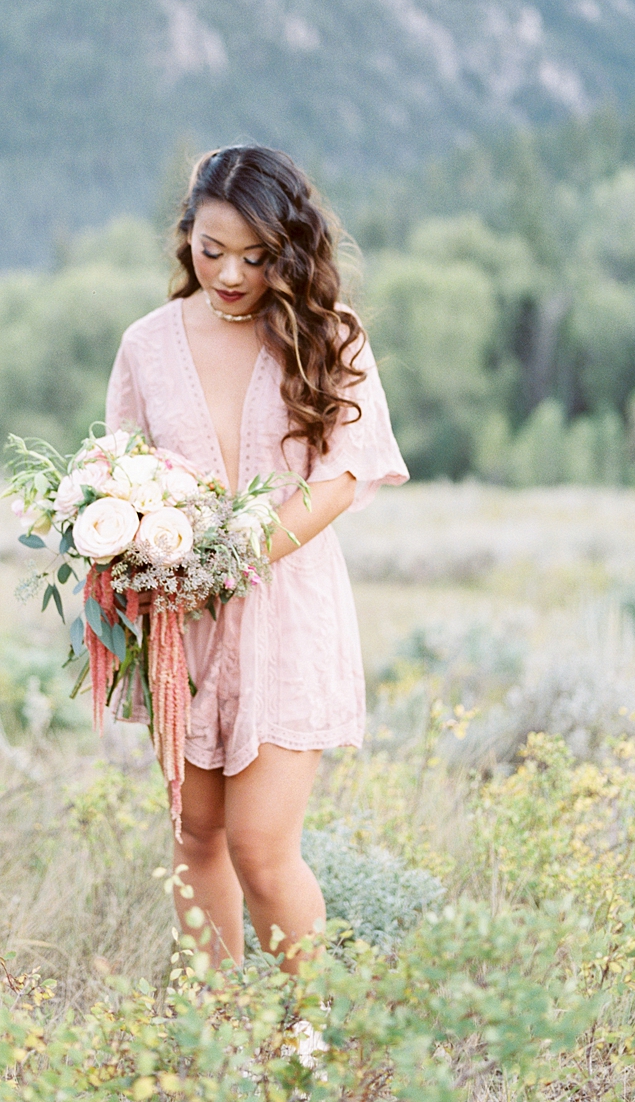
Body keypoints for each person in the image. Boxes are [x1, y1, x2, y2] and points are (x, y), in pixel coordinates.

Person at [105, 145, 408, 969]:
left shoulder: (330, 335)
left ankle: (310, 1058)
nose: (230, 272)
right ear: (185, 238)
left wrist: (234, 554)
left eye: (256, 255)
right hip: (181, 626)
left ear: (291, 248)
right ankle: (216, 1050)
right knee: (195, 834)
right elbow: (119, 470)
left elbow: (343, 477)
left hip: (288, 610)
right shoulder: (146, 343)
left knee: (262, 848)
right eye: (212, 249)